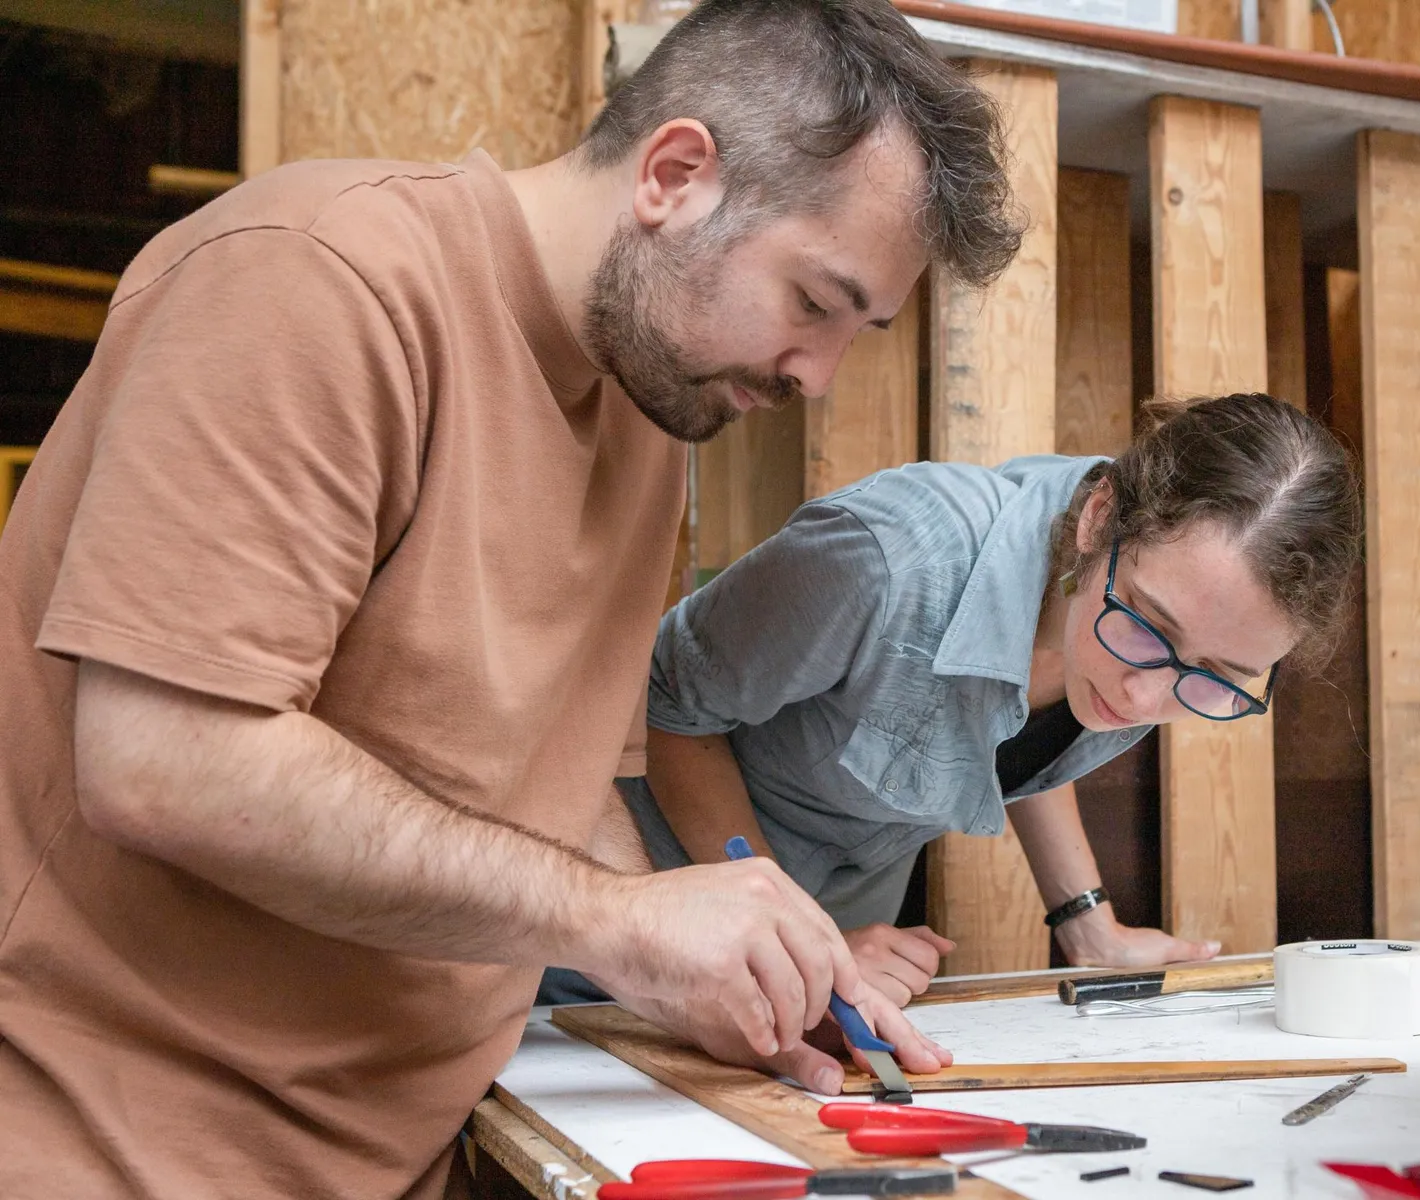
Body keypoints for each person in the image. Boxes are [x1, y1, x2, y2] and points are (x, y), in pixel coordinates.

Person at [0, 1, 1022, 1196]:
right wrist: (619, 923)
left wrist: (678, 959)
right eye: (814, 301)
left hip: (427, 1139)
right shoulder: (316, 279)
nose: (817, 373)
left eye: (863, 330)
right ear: (676, 174)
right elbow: (166, 759)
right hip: (117, 1142)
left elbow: (554, 776)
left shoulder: (653, 402)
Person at [542, 392, 1361, 1010]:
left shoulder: (1149, 611)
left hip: (806, 974)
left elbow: (1014, 729)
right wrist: (796, 940)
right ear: (1100, 516)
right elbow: (657, 703)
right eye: (1146, 627)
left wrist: (1088, 923)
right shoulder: (886, 560)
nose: (1147, 694)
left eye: (1214, 675)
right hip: (597, 923)